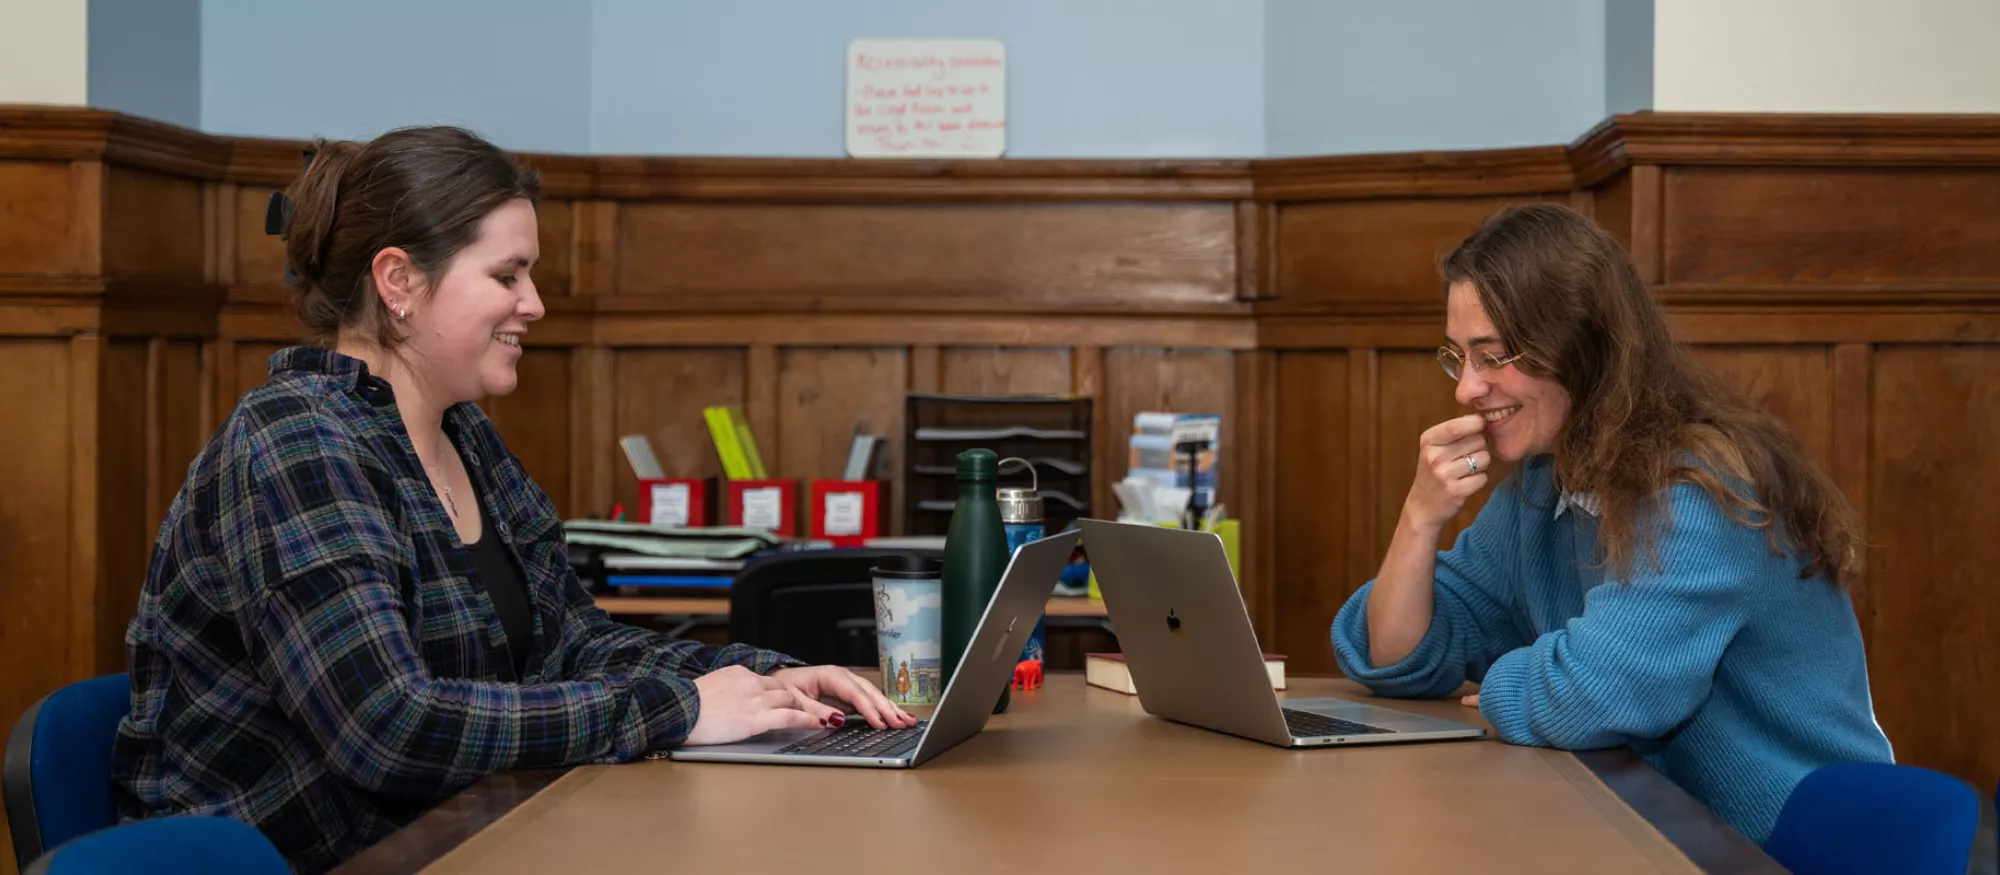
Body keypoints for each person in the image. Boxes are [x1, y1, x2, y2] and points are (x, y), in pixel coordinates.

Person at [111, 126, 917, 874]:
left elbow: (572, 645)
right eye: (506, 275)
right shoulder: (292, 443)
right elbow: (388, 727)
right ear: (398, 280)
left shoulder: (465, 435)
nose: (533, 303)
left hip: (471, 835)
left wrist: (766, 679)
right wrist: (677, 709)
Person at [1328, 203, 1892, 845]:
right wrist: (1419, 518)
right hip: (1642, 831)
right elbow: (1394, 654)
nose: (1467, 389)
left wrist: (1500, 684)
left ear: (1580, 347)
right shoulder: (1545, 483)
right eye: (1458, 357)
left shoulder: (1706, 489)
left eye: (1493, 356)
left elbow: (1595, 695)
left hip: (1786, 847)